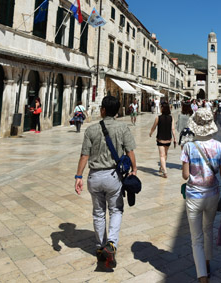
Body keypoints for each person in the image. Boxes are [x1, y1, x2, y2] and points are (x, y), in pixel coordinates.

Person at [74, 96, 137, 269]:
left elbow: (84, 155)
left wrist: (78, 176)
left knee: (98, 212)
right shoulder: (123, 128)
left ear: (102, 110)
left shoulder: (91, 130)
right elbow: (130, 151)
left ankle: (100, 246)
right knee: (116, 210)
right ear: (117, 111)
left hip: (94, 176)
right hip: (113, 177)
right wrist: (134, 170)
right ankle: (111, 243)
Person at [181, 108, 221, 283]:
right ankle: (207, 263)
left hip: (194, 195)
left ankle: (202, 276)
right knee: (208, 229)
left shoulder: (188, 146)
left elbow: (185, 176)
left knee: (196, 238)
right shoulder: (219, 146)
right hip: (213, 194)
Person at [149, 103, 176, 178]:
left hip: (160, 139)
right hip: (168, 139)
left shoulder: (158, 117)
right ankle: (162, 167)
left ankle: (165, 171)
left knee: (161, 155)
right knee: (165, 154)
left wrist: (151, 133)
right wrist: (175, 138)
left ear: (162, 109)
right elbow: (173, 129)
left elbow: (153, 127)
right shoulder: (171, 118)